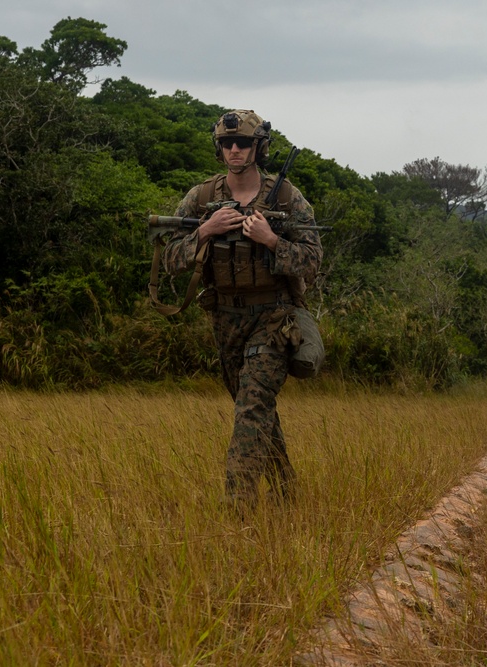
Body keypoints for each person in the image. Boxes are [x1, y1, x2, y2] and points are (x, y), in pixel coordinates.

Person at [161, 109, 323, 510]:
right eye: (227, 144)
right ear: (219, 149)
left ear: (258, 148)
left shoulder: (287, 197)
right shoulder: (201, 198)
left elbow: (312, 262)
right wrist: (205, 231)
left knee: (251, 407)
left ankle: (238, 510)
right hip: (225, 321)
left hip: (274, 318)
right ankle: (286, 492)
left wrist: (271, 241)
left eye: (244, 143)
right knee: (256, 408)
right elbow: (167, 259)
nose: (235, 150)